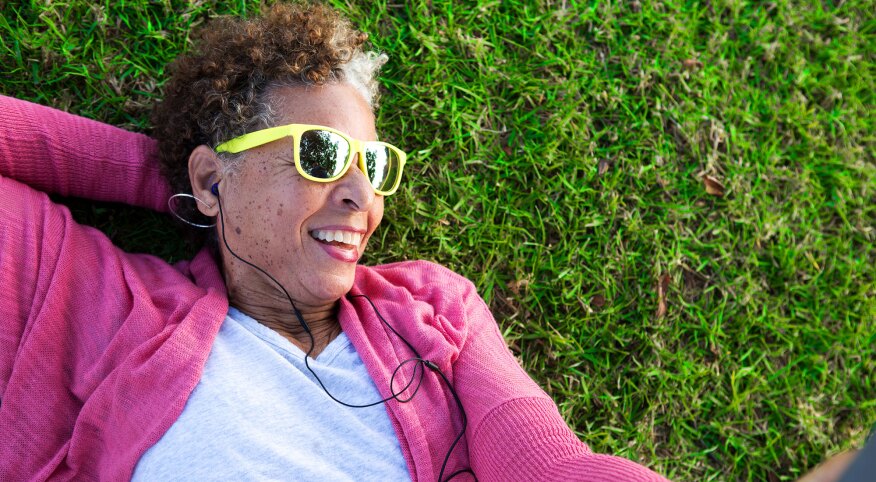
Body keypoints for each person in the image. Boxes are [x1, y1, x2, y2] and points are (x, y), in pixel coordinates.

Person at [0, 3, 668, 481]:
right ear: (212, 175)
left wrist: (216, 192)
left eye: (374, 167)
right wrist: (184, 187)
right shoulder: (103, 304)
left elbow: (548, 462)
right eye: (321, 154)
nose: (363, 197)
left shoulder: (435, 311)